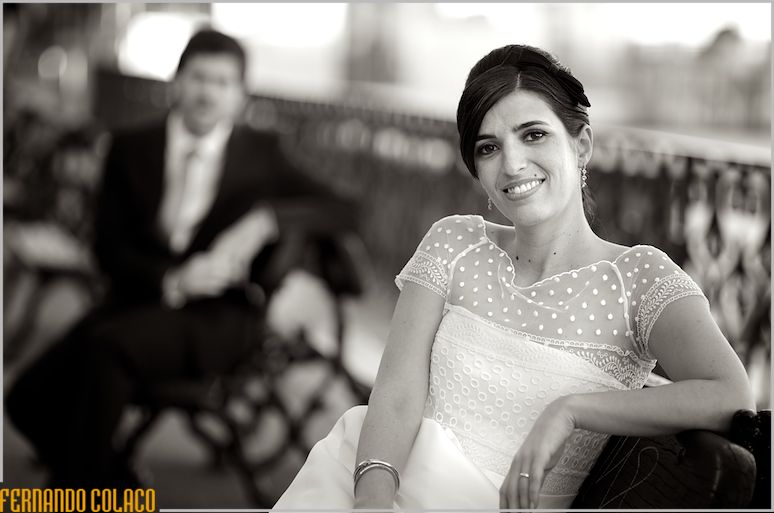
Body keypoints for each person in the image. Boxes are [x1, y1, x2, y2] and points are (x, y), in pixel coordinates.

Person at [273, 44, 754, 509]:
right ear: (477, 170)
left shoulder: (640, 279)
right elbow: (396, 397)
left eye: (534, 134)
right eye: (489, 147)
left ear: (581, 143)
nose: (513, 163)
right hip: (371, 489)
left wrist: (570, 410)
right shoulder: (454, 243)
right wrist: (371, 503)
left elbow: (731, 394)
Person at [6, 28, 355, 491]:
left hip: (221, 317)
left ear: (240, 96)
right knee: (25, 399)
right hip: (140, 297)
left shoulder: (261, 155)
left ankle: (81, 492)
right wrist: (172, 278)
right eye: (198, 77)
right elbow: (106, 251)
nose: (208, 91)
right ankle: (115, 482)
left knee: (107, 354)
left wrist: (269, 219)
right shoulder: (130, 147)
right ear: (176, 82)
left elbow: (349, 208)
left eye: (222, 82)